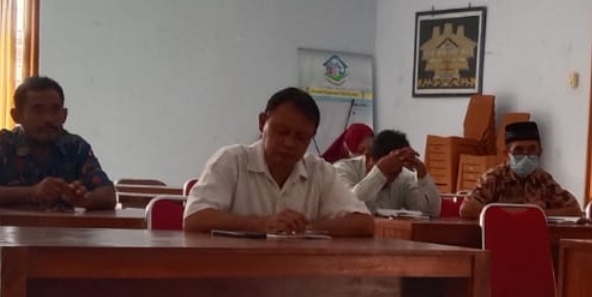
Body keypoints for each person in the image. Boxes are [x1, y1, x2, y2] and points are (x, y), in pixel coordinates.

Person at [184, 87, 374, 236]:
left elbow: (364, 224)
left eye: (301, 138)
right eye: (281, 132)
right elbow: (195, 218)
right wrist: (262, 224)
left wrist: (304, 228)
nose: (290, 143)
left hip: (298, 277)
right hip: (234, 274)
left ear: (312, 136)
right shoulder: (231, 161)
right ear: (262, 122)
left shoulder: (319, 171)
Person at [0, 76, 116, 210]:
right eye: (38, 110)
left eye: (55, 110)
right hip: (4, 235)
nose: (48, 118)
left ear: (64, 116)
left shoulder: (76, 147)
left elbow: (108, 193)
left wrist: (85, 200)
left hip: (63, 238)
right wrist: (31, 193)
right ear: (16, 115)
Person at [459, 121, 582, 219]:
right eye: (518, 150)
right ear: (506, 154)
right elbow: (467, 209)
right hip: (500, 237)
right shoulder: (494, 178)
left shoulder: (543, 179)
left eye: (532, 149)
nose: (526, 155)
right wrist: (515, 212)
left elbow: (574, 210)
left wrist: (540, 213)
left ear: (540, 152)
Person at [335, 129, 441, 217]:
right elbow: (349, 205)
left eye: (395, 173)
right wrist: (380, 171)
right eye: (389, 172)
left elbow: (431, 213)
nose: (391, 179)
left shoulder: (402, 176)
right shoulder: (342, 169)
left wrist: (423, 175)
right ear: (368, 157)